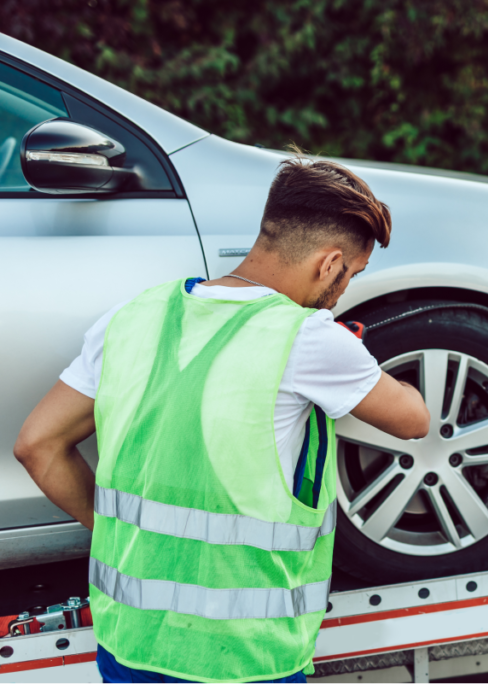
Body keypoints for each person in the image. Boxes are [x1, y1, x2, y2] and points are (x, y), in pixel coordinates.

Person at [13, 154, 431, 684]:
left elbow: (37, 444)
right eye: (351, 274)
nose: (343, 289)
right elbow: (413, 420)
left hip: (130, 644)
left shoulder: (131, 317)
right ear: (329, 264)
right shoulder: (305, 337)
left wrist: (118, 534)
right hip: (242, 657)